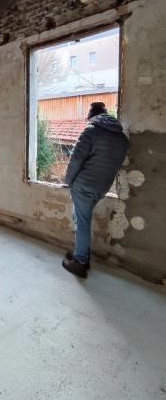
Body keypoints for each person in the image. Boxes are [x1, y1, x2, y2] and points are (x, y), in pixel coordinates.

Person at [62, 102, 129, 278]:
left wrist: (68, 181)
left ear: (91, 116)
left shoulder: (91, 130)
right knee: (80, 217)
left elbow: (76, 160)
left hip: (83, 185)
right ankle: (80, 253)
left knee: (82, 222)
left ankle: (81, 262)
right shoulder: (122, 138)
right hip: (102, 187)